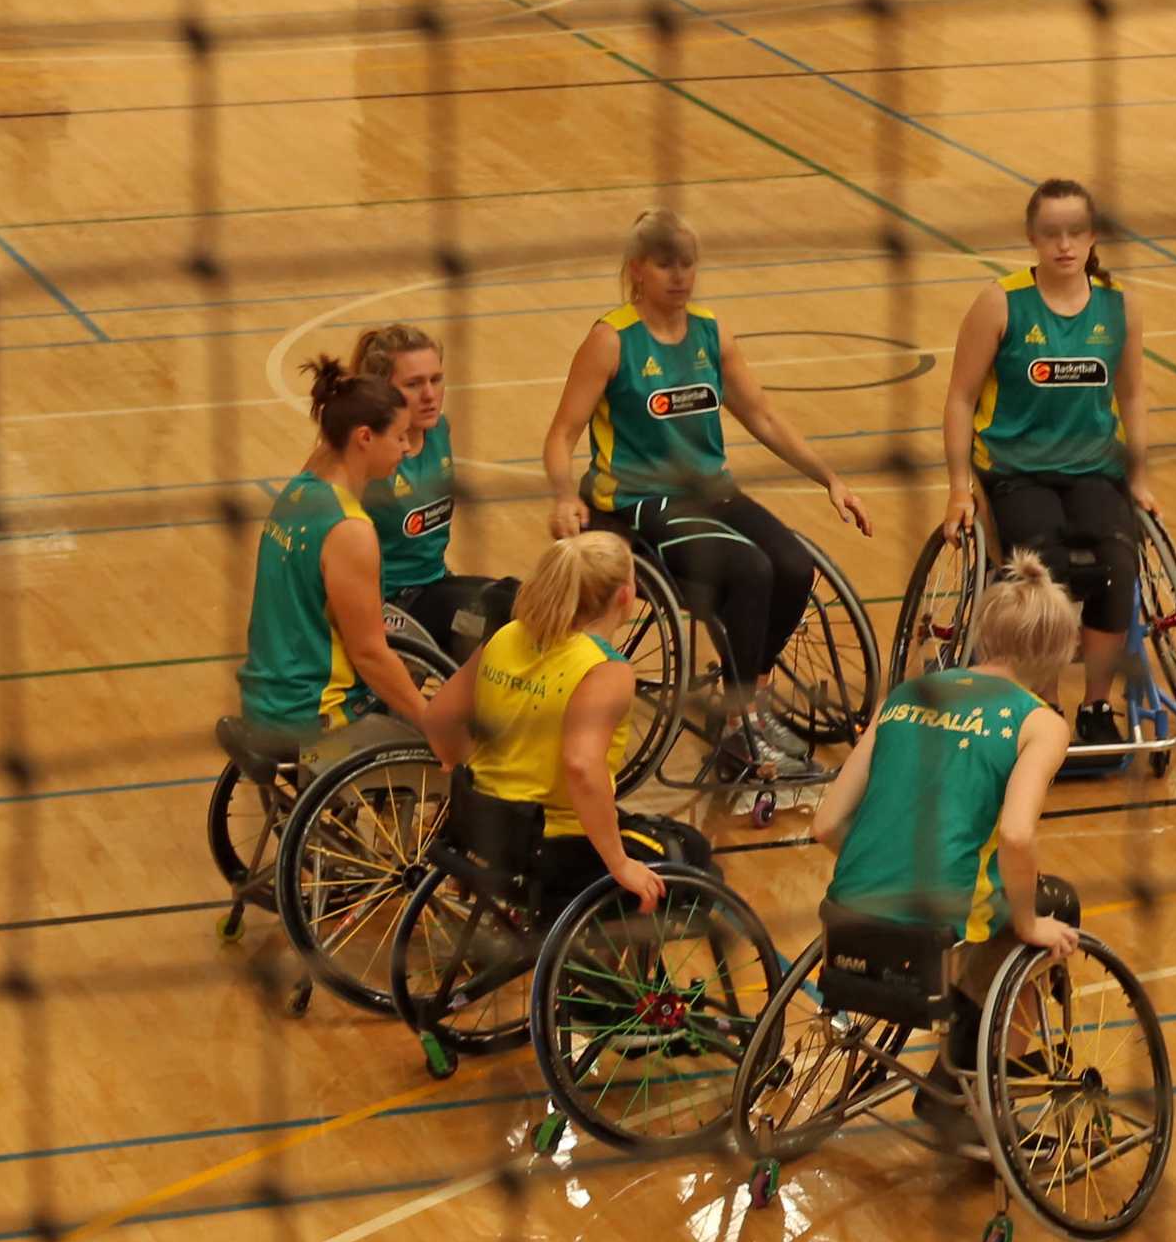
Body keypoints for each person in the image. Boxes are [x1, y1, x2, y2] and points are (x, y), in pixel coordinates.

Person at [541, 207, 871, 775]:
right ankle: (743, 725)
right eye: (665, 264)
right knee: (749, 570)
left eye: (688, 263)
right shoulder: (611, 340)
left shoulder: (712, 333)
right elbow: (561, 433)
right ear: (637, 269)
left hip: (712, 491)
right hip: (639, 502)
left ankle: (746, 699)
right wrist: (563, 493)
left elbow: (763, 416)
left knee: (792, 564)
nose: (679, 276)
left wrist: (829, 478)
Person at [815, 553, 1083, 1106]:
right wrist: (1031, 922)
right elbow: (1015, 836)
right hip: (940, 931)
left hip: (847, 918)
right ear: (1059, 650)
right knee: (1051, 905)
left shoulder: (907, 693)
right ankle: (977, 1086)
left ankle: (965, 1056)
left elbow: (826, 824)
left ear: (981, 632)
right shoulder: (1040, 722)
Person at [938, 179, 1154, 750]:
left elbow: (1132, 396)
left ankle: (1096, 706)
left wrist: (1141, 476)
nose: (1064, 245)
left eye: (1076, 232)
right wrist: (960, 488)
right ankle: (1044, 700)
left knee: (1117, 560)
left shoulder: (1120, 305)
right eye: (1051, 233)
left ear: (1092, 237)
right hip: (1015, 469)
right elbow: (959, 398)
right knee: (1044, 564)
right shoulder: (1000, 302)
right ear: (1033, 237)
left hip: (1092, 467)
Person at [419, 532, 705, 915]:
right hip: (553, 846)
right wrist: (619, 864)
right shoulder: (605, 670)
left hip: (480, 826)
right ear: (625, 595)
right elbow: (581, 767)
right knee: (692, 853)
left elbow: (439, 717)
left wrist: (463, 764)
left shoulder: (506, 636)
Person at [232, 356, 433, 752]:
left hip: (266, 701)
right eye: (399, 436)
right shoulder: (350, 531)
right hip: (313, 715)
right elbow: (369, 655)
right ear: (364, 437)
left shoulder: (299, 491)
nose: (408, 448)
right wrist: (432, 723)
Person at [349, 323, 515, 662]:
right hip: (390, 603)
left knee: (521, 599)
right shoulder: (366, 452)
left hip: (435, 583)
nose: (429, 394)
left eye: (435, 379)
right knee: (497, 625)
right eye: (413, 384)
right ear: (383, 391)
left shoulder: (439, 429)